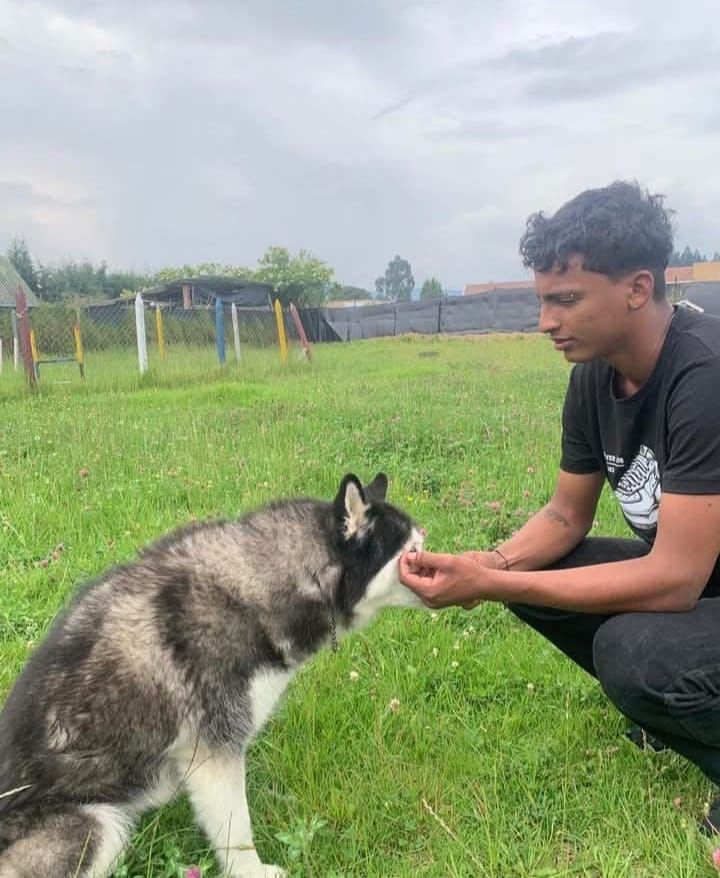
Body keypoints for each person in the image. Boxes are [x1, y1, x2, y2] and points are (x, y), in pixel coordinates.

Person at [399, 180, 720, 833]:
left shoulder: (705, 375)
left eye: (566, 301)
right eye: (543, 301)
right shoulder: (593, 380)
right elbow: (564, 517)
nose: (546, 322)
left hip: (698, 573)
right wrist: (490, 564)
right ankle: (677, 705)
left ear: (636, 288)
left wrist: (490, 581)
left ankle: (678, 694)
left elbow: (677, 578)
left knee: (634, 654)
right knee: (535, 583)